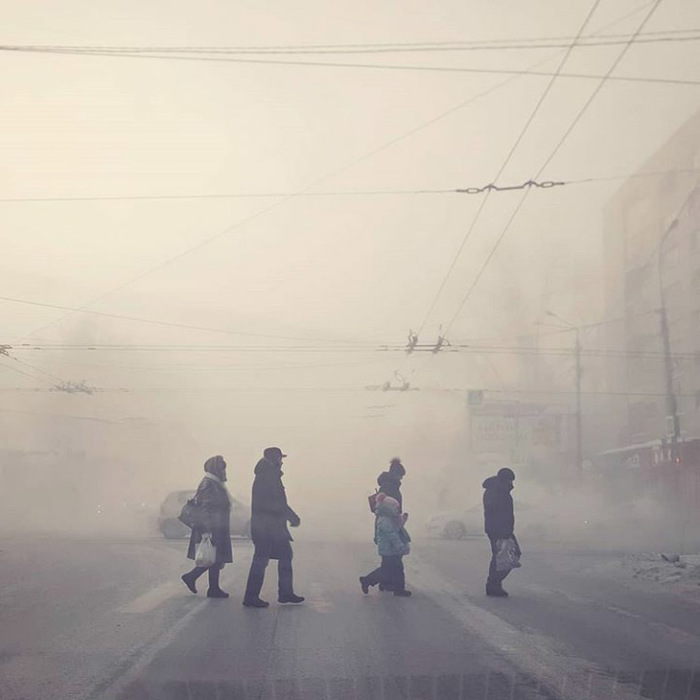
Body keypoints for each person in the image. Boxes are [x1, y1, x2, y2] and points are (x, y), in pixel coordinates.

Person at [242, 447, 304, 608]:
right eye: (280, 458)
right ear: (274, 458)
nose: (282, 462)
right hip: (267, 527)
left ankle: (285, 593)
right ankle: (252, 597)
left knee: (283, 556)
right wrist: (292, 517)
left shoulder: (269, 474)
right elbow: (276, 503)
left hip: (271, 527)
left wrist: (290, 517)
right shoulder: (267, 476)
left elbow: (278, 502)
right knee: (261, 561)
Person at [181, 455, 233, 599]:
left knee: (215, 558)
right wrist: (206, 531)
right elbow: (205, 508)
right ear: (216, 469)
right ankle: (191, 577)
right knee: (211, 557)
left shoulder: (214, 483)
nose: (224, 471)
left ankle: (213, 588)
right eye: (222, 468)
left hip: (217, 526)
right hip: (211, 527)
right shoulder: (209, 484)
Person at [359, 493, 411, 597]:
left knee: (392, 569)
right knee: (390, 570)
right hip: (390, 549)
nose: (397, 509)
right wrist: (400, 546)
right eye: (395, 508)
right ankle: (368, 580)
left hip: (390, 550)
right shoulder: (385, 520)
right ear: (388, 508)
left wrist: (403, 519)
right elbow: (392, 535)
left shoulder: (388, 518)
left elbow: (396, 528)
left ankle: (398, 589)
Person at [482, 467, 520, 597]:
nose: (512, 483)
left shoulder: (497, 490)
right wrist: (505, 531)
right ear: (505, 480)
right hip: (500, 530)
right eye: (510, 480)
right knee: (505, 557)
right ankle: (493, 585)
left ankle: (494, 584)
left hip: (501, 529)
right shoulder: (497, 491)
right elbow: (497, 512)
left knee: (504, 557)